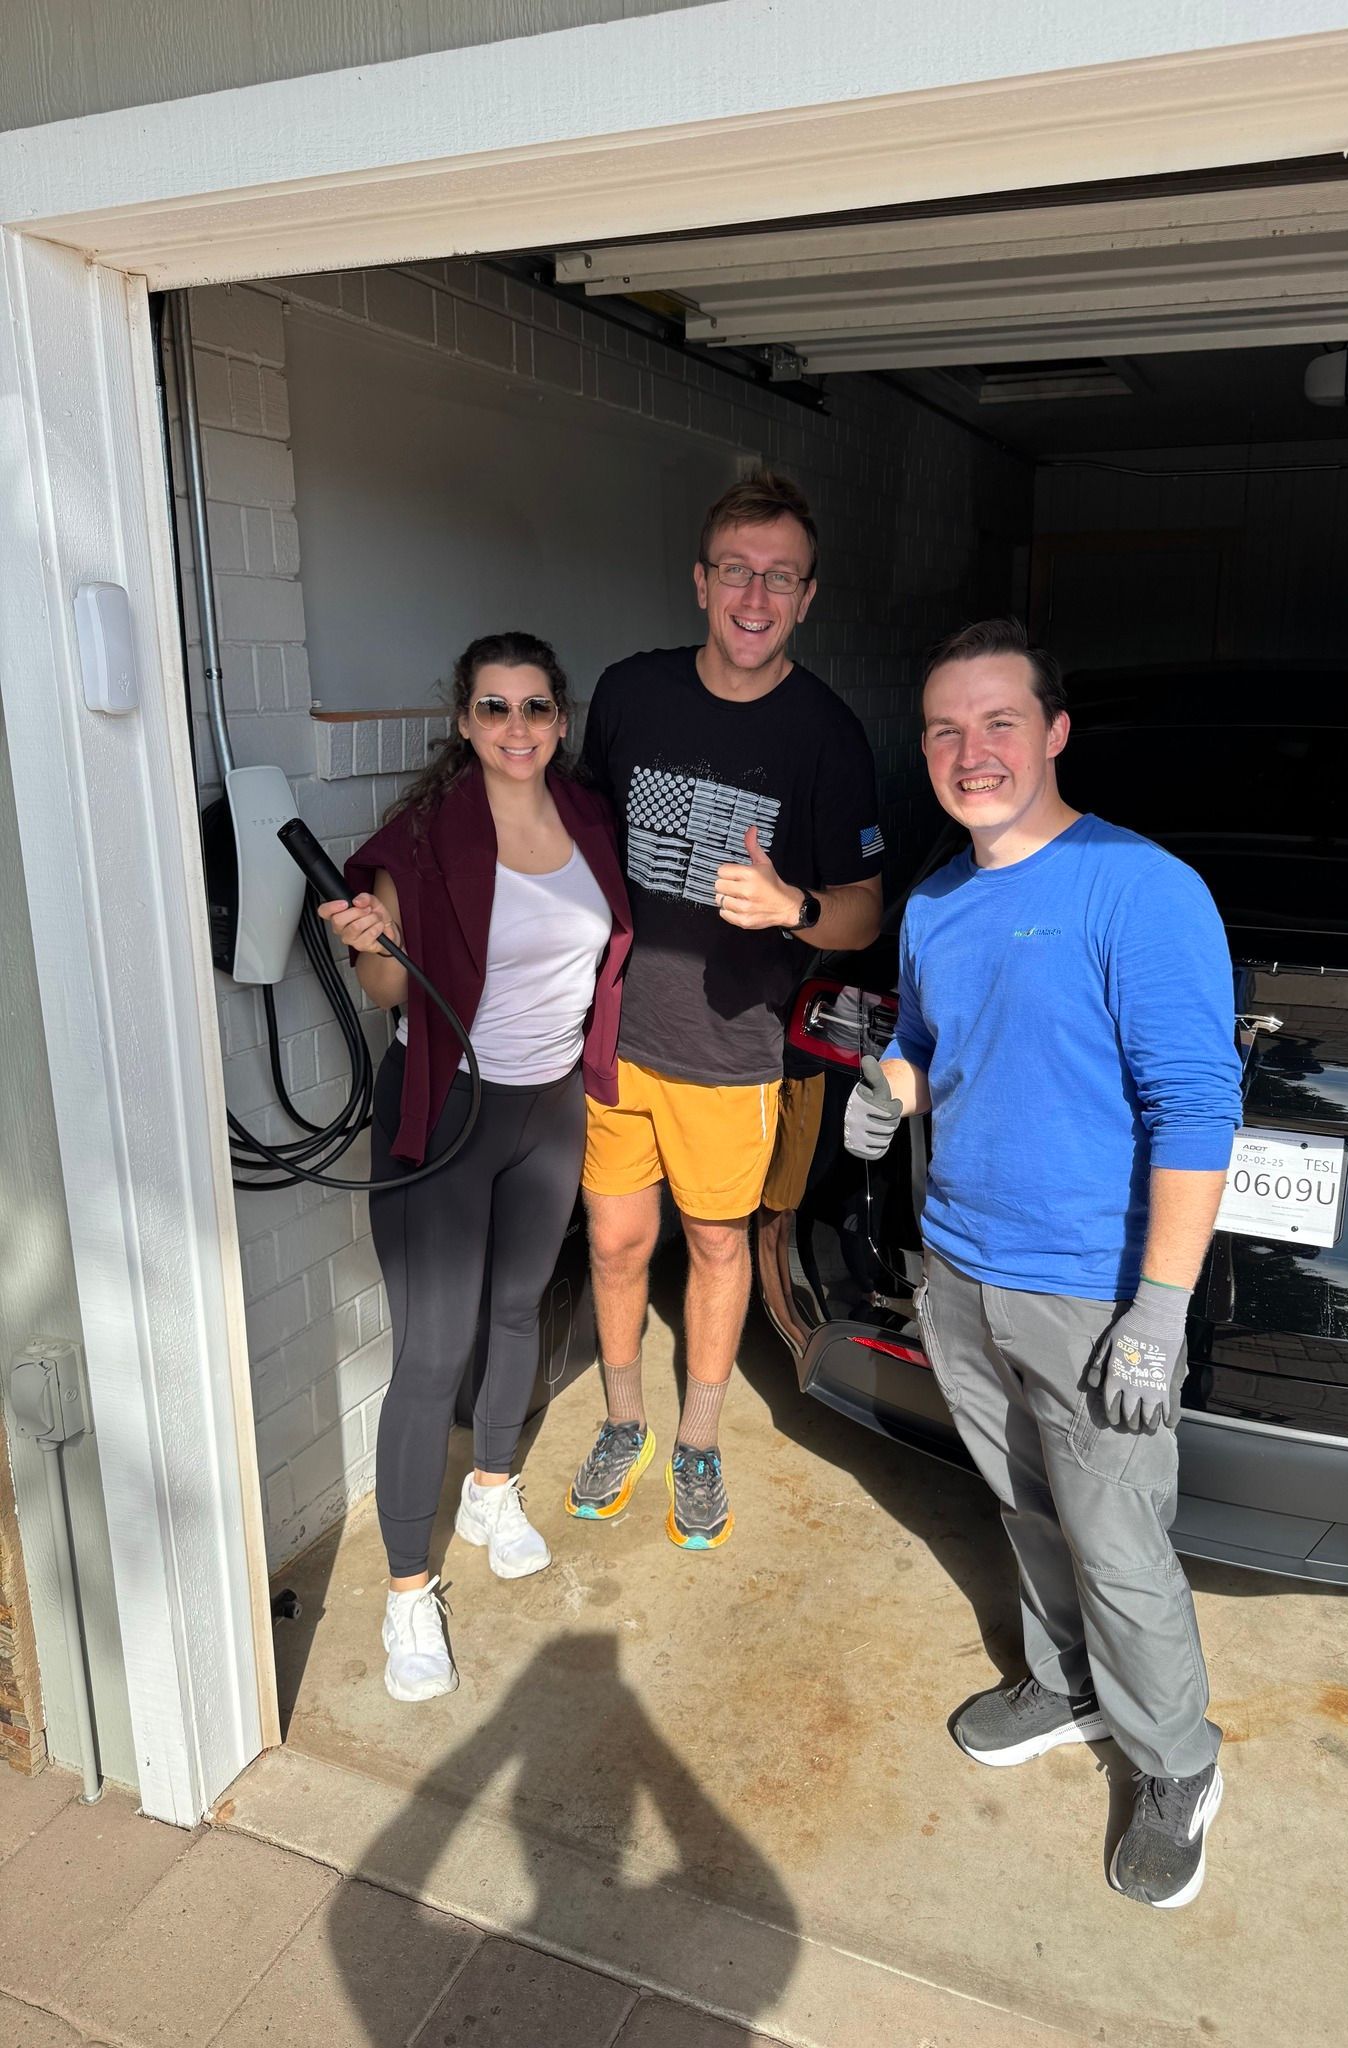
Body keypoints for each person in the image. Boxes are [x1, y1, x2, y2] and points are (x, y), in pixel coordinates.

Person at [844, 618, 1241, 1909]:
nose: (973, 751)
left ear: (1056, 730)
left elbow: (1195, 1105)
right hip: (957, 1262)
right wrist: (889, 1083)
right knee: (1024, 1507)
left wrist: (1160, 1311)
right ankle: (1067, 1688)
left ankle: (1177, 1761)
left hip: (1088, 1287)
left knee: (1120, 1541)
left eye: (999, 721)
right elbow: (930, 1035)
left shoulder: (1140, 887)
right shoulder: (939, 898)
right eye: (946, 730)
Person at [570, 472, 884, 1549]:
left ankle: (698, 1439)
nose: (755, 594)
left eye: (779, 577)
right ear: (702, 582)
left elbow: (862, 909)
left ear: (807, 597)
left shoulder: (828, 735)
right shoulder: (628, 694)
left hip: (731, 1049)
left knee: (714, 1246)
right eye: (737, 571)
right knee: (615, 1246)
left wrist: (793, 905)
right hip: (618, 1035)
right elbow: (573, 841)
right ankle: (625, 1422)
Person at [319, 631, 630, 1703]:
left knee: (516, 1313)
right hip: (447, 1115)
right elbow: (392, 993)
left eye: (535, 707)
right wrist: (371, 941)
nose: (515, 728)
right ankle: (410, 1588)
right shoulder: (425, 837)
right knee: (432, 1346)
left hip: (549, 1106)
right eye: (493, 708)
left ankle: (491, 1490)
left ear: (559, 718)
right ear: (463, 719)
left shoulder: (588, 818)